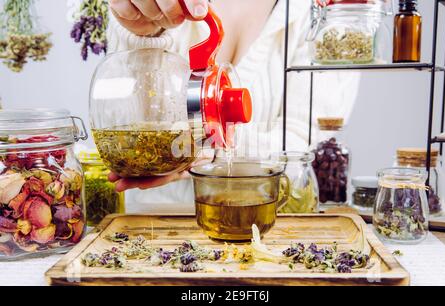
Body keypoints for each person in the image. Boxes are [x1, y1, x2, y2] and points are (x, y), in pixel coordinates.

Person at [106, 0, 359, 212]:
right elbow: (127, 115)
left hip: (264, 232)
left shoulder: (330, 13)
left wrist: (211, 142)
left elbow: (301, 145)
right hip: (153, 229)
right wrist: (144, 33)